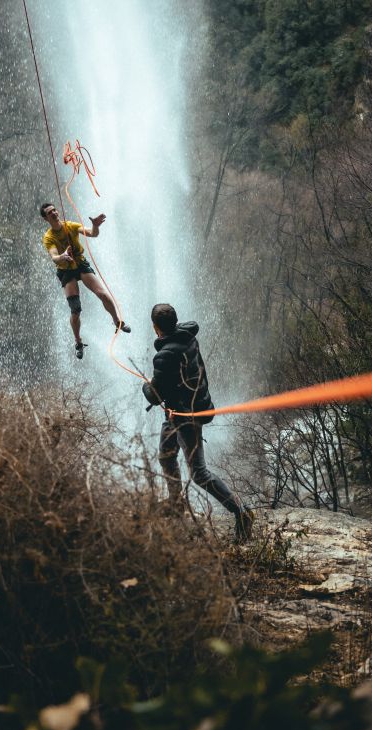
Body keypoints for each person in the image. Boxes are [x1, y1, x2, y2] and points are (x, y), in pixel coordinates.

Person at [142, 303, 255, 542]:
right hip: (185, 410)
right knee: (166, 454)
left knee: (199, 473)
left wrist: (147, 384)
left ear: (156, 328)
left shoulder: (165, 356)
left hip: (186, 417)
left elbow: (155, 395)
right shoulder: (188, 337)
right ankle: (175, 503)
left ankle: (241, 512)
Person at [39, 202, 130, 359]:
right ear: (45, 219)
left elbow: (92, 233)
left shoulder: (71, 226)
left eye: (54, 210)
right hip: (66, 270)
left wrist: (95, 226)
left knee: (102, 293)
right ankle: (78, 342)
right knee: (76, 309)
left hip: (80, 264)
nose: (54, 213)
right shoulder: (49, 237)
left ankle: (117, 321)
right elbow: (54, 257)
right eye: (49, 213)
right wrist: (62, 256)